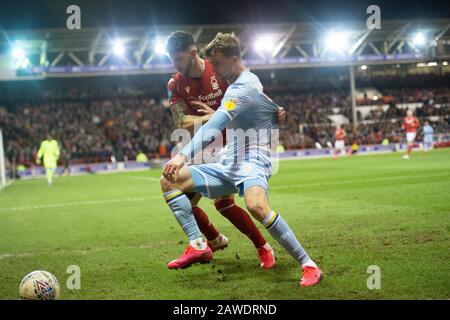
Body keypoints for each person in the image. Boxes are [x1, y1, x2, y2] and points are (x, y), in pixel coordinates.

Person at [160, 33, 322, 287]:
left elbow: (217, 122)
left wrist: (182, 155)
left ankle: (308, 264)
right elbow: (261, 104)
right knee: (169, 181)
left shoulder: (240, 86)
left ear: (233, 60)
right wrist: (274, 112)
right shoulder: (231, 81)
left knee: (255, 206)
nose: (215, 69)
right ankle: (201, 244)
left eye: (219, 63)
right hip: (227, 158)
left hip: (251, 158)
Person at [164, 30, 283, 269]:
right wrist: (213, 117)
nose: (174, 65)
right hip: (204, 143)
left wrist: (274, 109)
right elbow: (179, 120)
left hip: (234, 143)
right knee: (181, 195)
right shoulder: (175, 83)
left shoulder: (218, 67)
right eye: (171, 60)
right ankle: (213, 241)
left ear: (192, 53)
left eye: (178, 59)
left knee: (223, 203)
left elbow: (249, 91)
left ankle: (263, 248)